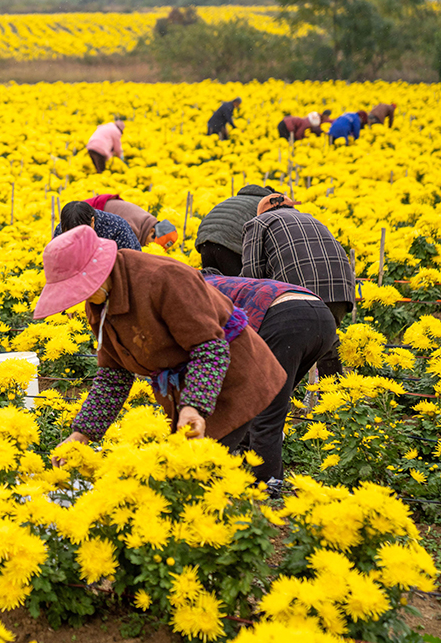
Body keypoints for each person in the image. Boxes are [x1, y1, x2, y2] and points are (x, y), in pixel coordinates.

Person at [36, 226, 285, 458]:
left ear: (100, 269)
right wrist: (82, 434)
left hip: (232, 379)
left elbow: (209, 349)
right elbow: (113, 375)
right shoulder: (98, 304)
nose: (77, 298)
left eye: (78, 288)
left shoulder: (163, 278)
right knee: (188, 471)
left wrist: (193, 406)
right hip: (190, 391)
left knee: (201, 473)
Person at [202, 270, 337, 488]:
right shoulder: (220, 282)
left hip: (287, 320)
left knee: (268, 409)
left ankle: (267, 485)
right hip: (322, 316)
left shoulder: (191, 290)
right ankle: (243, 460)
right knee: (264, 399)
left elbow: (210, 355)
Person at [241, 194, 356, 376]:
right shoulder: (312, 219)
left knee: (284, 346)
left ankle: (278, 396)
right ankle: (335, 398)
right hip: (340, 287)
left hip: (300, 293)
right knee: (326, 342)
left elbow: (251, 275)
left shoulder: (259, 223)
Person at [195, 184, 276, 276]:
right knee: (236, 286)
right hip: (230, 244)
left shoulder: (235, 199)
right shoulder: (267, 205)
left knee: (212, 284)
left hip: (205, 241)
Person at [84, 194, 176, 249]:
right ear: (151, 231)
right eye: (153, 242)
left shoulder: (148, 221)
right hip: (87, 214)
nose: (151, 246)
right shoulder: (132, 228)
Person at [51, 201, 141, 251]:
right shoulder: (62, 229)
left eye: (80, 235)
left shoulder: (116, 227)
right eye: (70, 235)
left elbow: (128, 262)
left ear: (92, 222)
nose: (75, 239)